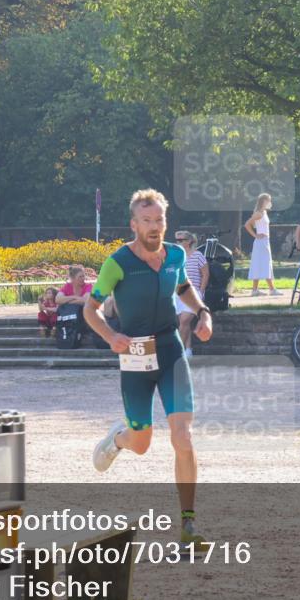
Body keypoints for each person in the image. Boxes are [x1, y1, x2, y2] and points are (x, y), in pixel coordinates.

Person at [85, 189, 214, 547]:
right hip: (136, 353)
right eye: (147, 221)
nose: (155, 227)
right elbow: (89, 309)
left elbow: (185, 288)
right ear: (134, 224)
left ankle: (188, 526)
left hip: (171, 348)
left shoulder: (176, 254)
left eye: (160, 220)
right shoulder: (118, 263)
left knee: (183, 437)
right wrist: (111, 335)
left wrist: (203, 312)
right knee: (141, 444)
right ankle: (118, 438)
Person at [174, 230, 209, 358]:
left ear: (188, 242)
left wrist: (201, 291)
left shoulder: (198, 255)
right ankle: (188, 350)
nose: (177, 243)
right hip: (178, 294)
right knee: (183, 324)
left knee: (184, 321)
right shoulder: (177, 256)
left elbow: (205, 274)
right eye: (176, 240)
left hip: (193, 293)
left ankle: (177, 353)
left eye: (180, 240)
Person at [244, 193, 281, 296]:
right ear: (264, 201)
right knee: (264, 264)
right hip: (261, 242)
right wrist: (255, 235)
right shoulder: (259, 213)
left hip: (265, 241)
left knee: (262, 264)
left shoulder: (264, 212)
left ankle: (255, 290)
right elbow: (247, 225)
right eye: (269, 200)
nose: (270, 202)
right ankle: (271, 289)